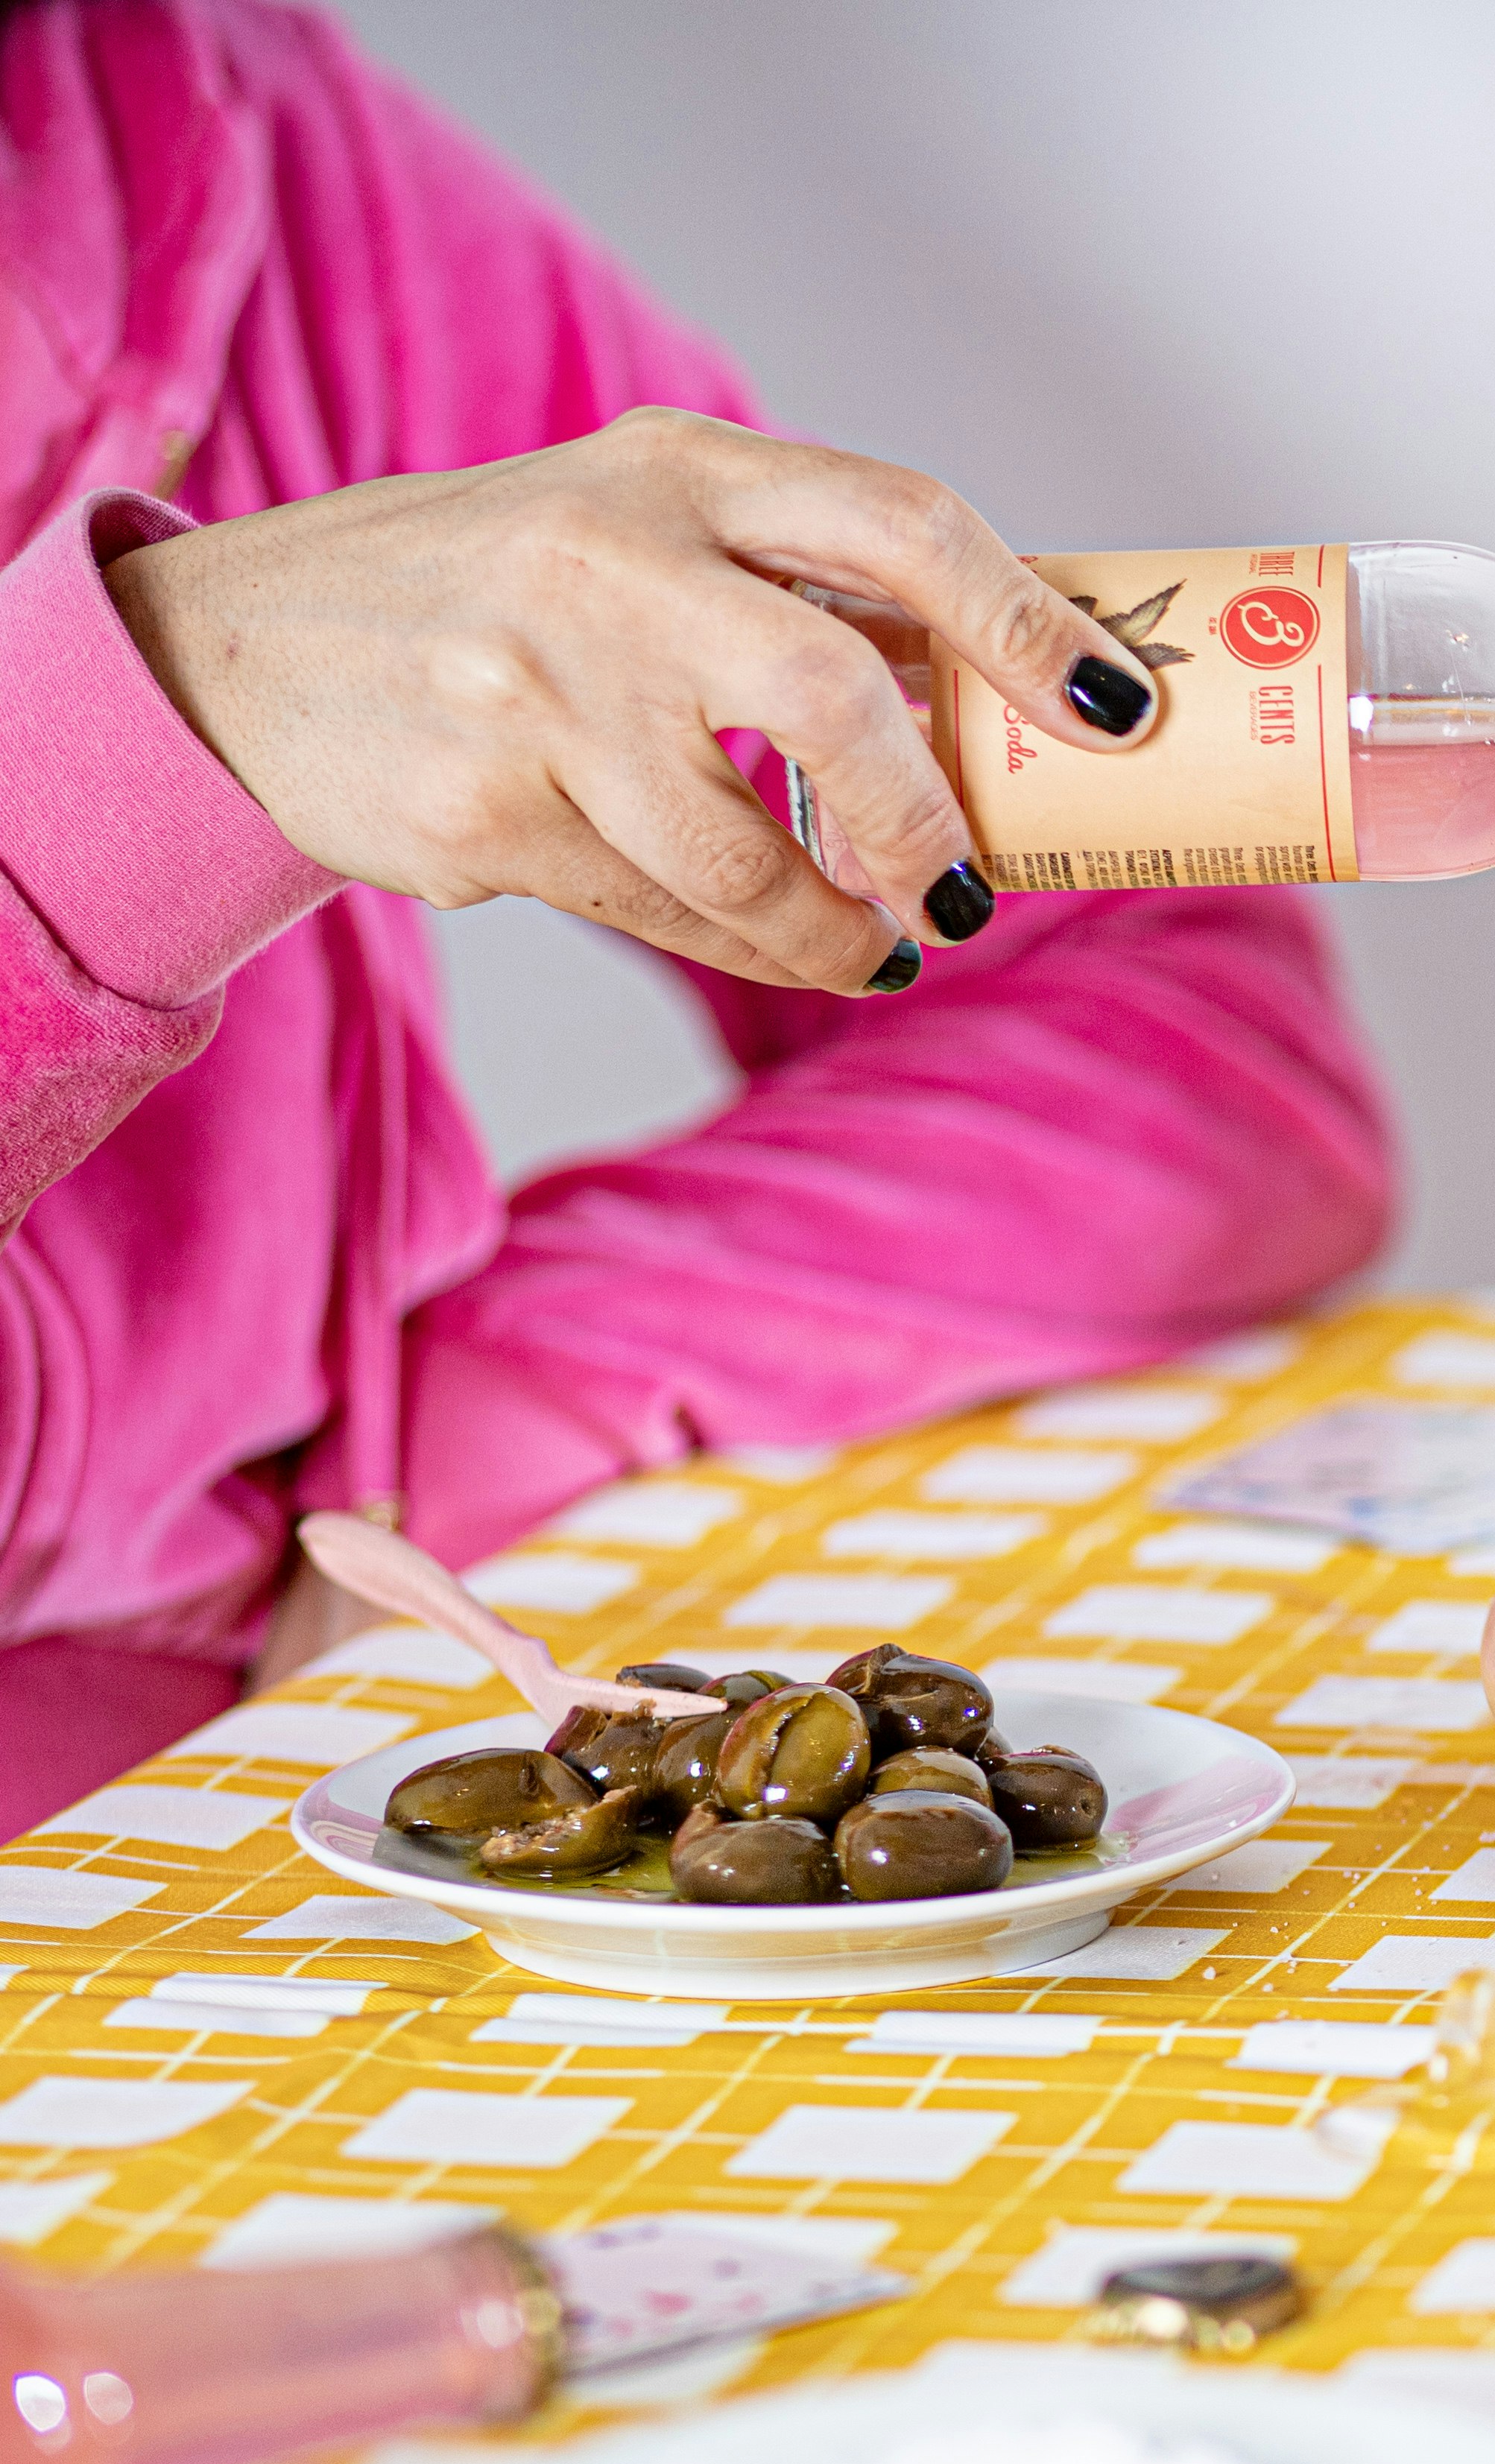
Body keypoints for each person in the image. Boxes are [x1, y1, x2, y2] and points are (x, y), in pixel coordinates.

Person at [0, 0, 1394, 1832]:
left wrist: (489, 1401)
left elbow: (1180, 1034)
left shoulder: (207, 138)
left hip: (288, 1820)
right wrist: (161, 732)